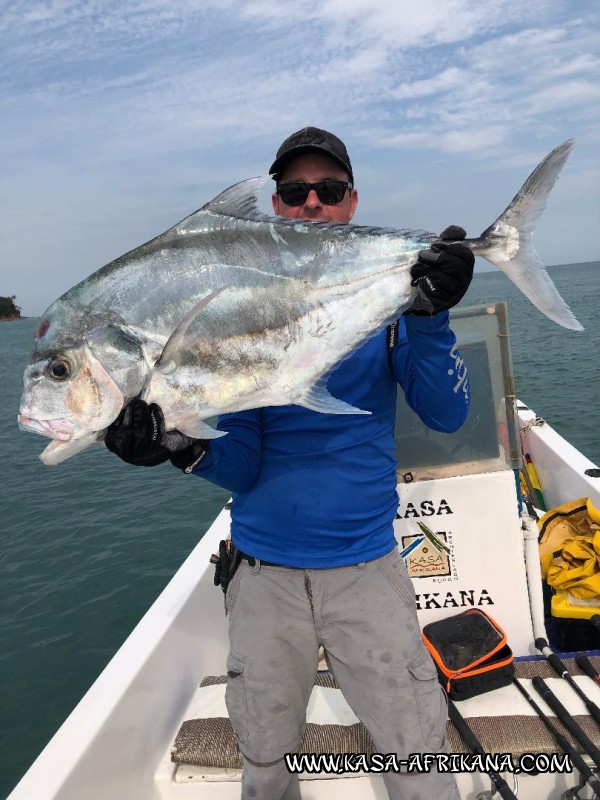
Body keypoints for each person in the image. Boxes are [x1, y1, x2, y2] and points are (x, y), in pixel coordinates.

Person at [105, 127, 474, 800]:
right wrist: (178, 448)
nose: (311, 203)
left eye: (327, 191)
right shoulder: (242, 312)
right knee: (266, 760)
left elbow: (448, 416)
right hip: (263, 580)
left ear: (352, 202)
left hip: (367, 571)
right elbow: (243, 464)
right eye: (293, 191)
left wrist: (430, 318)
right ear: (275, 205)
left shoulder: (384, 308)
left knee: (417, 755)